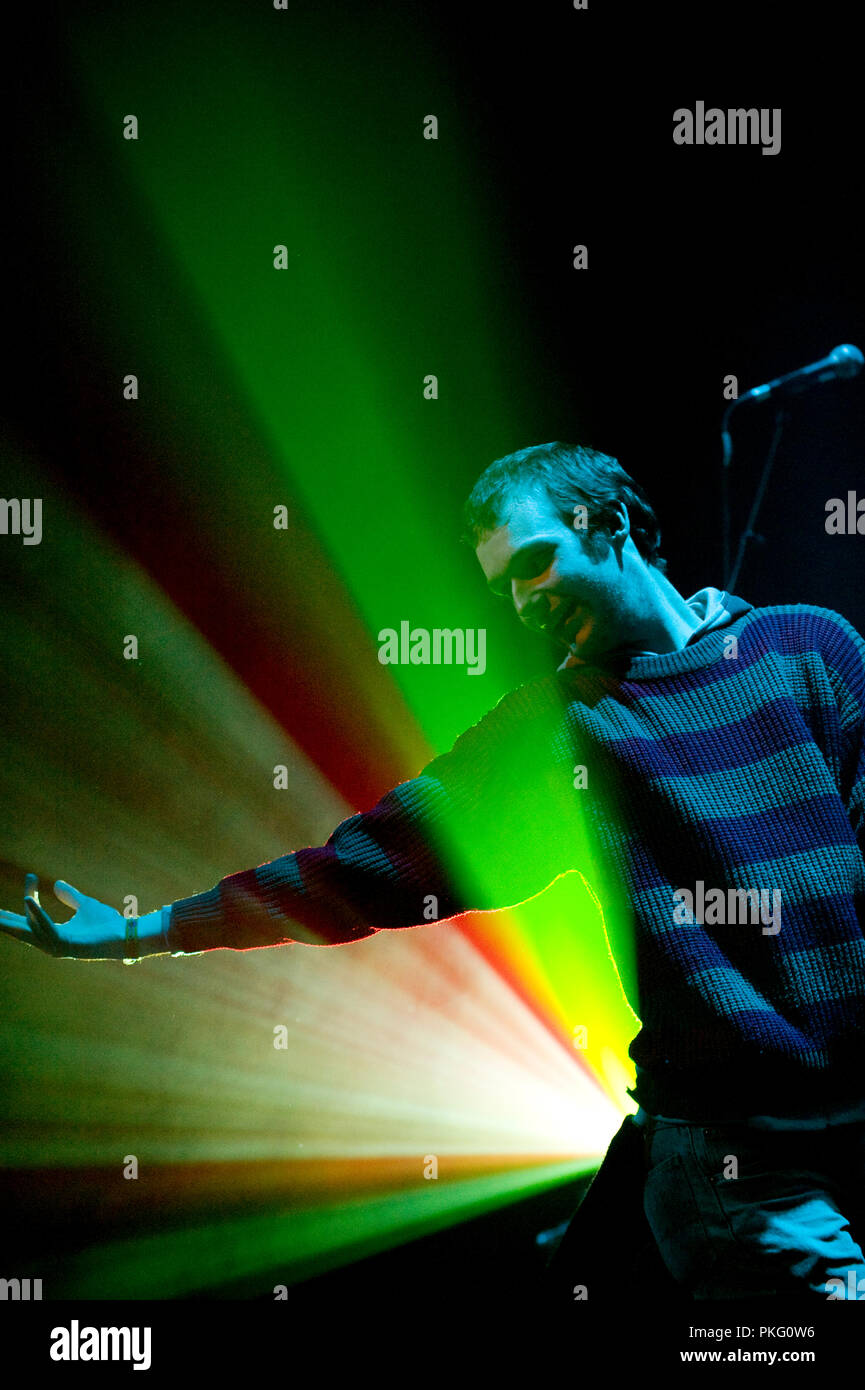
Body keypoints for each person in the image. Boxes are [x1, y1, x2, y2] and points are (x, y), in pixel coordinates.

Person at [3, 440, 865, 1301]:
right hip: (742, 1169)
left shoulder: (810, 651)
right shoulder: (551, 736)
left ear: (608, 524)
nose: (525, 601)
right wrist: (141, 932)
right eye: (505, 589)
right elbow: (358, 870)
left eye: (535, 562)